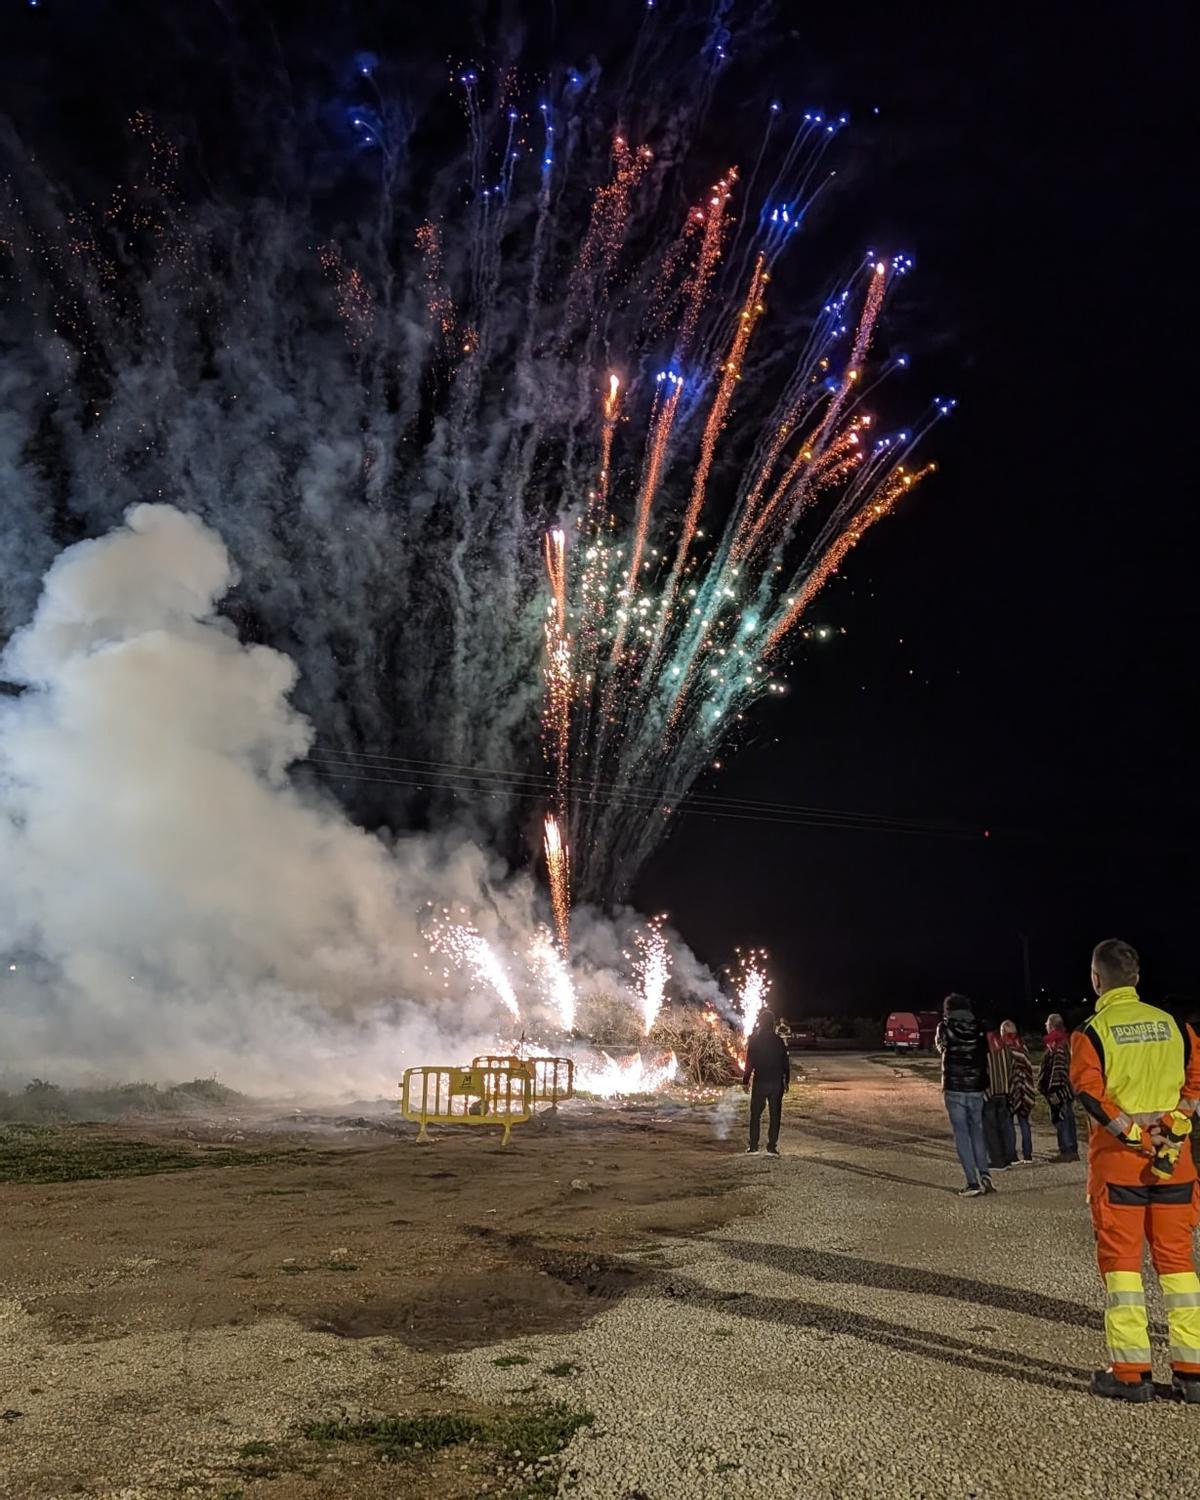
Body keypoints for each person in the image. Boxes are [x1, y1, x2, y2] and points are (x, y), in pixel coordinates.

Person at [1069, 939, 1200, 1402]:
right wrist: (1171, 1130)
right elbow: (1195, 1085)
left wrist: (1137, 1137)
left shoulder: (1092, 1032)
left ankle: (1131, 1375)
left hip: (1121, 1169)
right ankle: (1192, 1371)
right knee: (1180, 1268)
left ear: (1096, 979)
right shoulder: (1176, 1027)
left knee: (1123, 1270)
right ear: (1138, 979)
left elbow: (1088, 1093)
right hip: (1175, 1165)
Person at [935, 993, 994, 1197]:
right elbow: (984, 1055)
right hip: (976, 1086)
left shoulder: (945, 1026)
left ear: (948, 1009)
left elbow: (941, 1046)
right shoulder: (979, 1026)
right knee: (977, 1131)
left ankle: (972, 1182)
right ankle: (985, 1174)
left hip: (954, 1086)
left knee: (961, 1133)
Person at [742, 1008, 789, 1157]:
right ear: (772, 1023)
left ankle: (754, 1146)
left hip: (760, 1082)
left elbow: (749, 1062)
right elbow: (785, 1062)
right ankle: (771, 1146)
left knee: (755, 1115)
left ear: (761, 1023)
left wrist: (745, 1081)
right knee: (775, 1115)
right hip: (776, 1083)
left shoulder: (755, 1040)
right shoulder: (778, 1040)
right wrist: (786, 1080)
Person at [1039, 1011, 1079, 1159]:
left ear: (1052, 1025)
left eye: (1047, 1023)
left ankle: (1066, 1150)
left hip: (1061, 1089)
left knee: (1062, 1117)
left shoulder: (1058, 1044)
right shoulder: (1065, 1040)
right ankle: (1071, 1149)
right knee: (1068, 1116)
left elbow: (1059, 1069)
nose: (1045, 1025)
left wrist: (1054, 1090)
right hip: (1068, 1088)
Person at [1002, 1020, 1037, 1163]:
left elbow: (1006, 1070)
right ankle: (1028, 1154)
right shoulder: (1022, 1045)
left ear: (1004, 1032)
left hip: (1011, 1089)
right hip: (1025, 1089)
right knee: (1024, 1122)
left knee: (1009, 1123)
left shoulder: (1006, 1048)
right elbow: (1027, 1067)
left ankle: (1012, 1155)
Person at [983, 1027, 1016, 1170]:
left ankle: (997, 1159)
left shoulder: (984, 1050)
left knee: (991, 1130)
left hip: (990, 1094)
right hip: (1004, 1093)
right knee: (1004, 1127)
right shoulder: (1005, 1049)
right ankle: (1008, 1156)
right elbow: (1011, 1068)